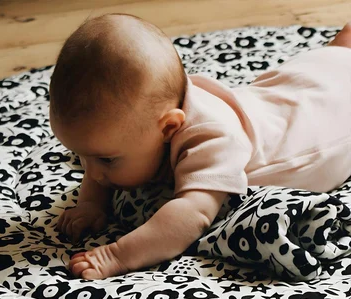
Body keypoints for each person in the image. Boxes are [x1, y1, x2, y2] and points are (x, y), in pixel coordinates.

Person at [49, 13, 351, 280]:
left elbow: (191, 216)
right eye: (83, 157)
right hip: (303, 79)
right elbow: (97, 168)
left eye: (106, 160)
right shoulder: (151, 109)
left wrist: (116, 256)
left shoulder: (214, 140)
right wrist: (90, 204)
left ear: (169, 128)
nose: (93, 174)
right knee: (325, 66)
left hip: (335, 117)